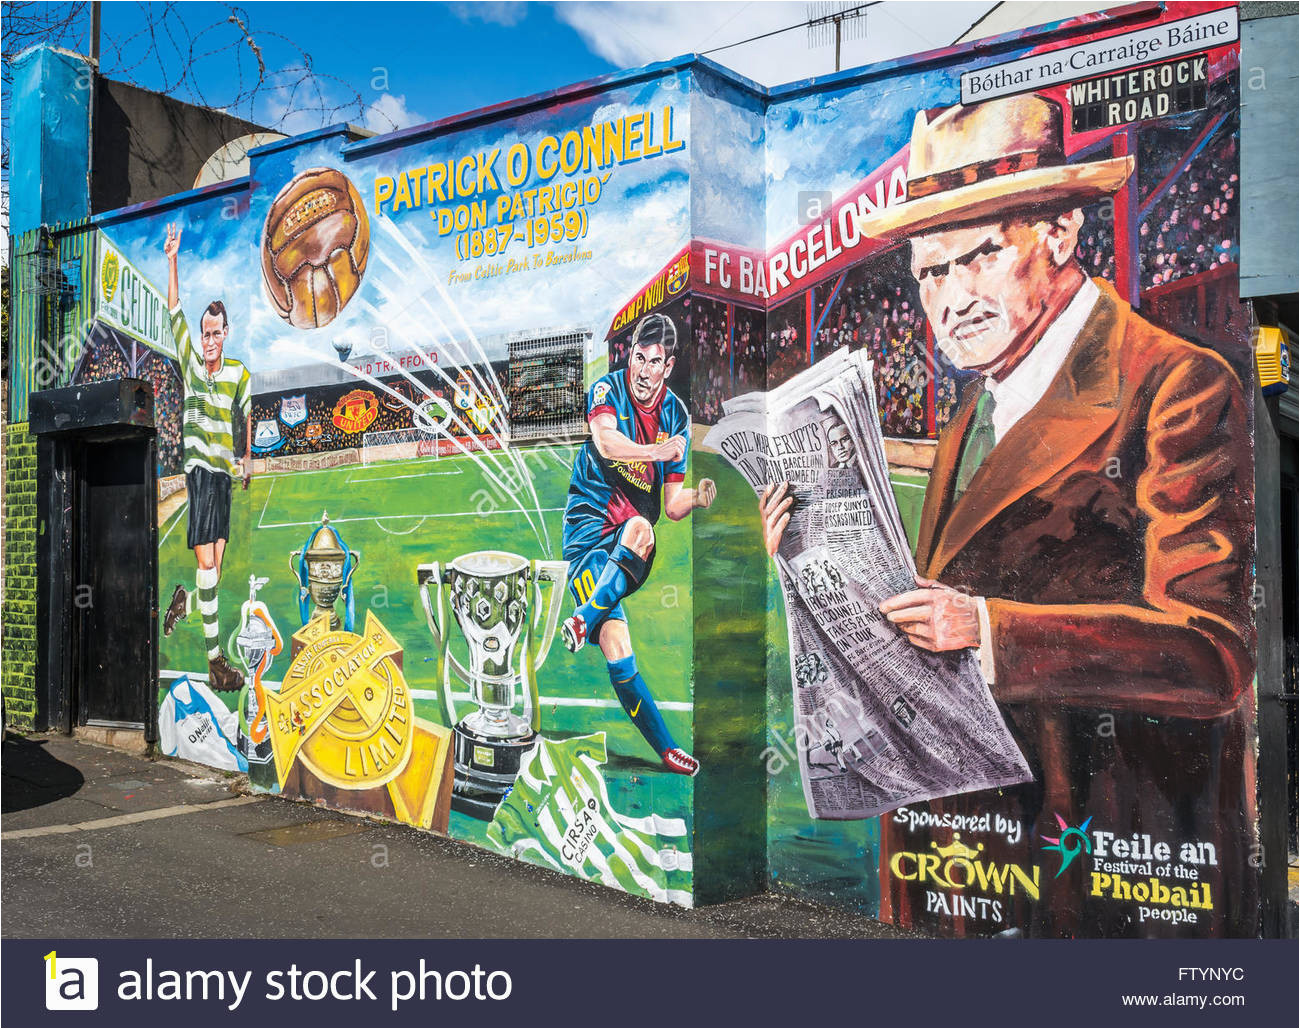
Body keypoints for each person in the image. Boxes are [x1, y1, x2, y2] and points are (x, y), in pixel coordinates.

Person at [760, 94, 1254, 936]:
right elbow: (928, 606)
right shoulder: (978, 410)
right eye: (928, 273)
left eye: (977, 258)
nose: (948, 299)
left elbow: (1211, 655)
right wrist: (813, 560)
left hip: (1100, 863)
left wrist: (989, 631)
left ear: (1060, 233)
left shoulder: (1176, 385)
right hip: (969, 857)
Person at [561, 313, 716, 777]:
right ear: (629, 356)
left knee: (642, 527)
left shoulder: (677, 417)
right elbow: (606, 443)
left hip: (630, 546)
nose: (643, 370)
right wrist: (654, 452)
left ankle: (579, 621)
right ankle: (668, 749)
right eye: (637, 358)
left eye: (654, 362)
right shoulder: (607, 390)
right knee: (618, 648)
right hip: (588, 537)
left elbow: (670, 505)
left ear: (668, 367)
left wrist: (698, 498)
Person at [160, 223, 253, 694]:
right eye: (204, 333)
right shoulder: (191, 364)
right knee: (207, 564)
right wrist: (173, 258)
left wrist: (247, 459)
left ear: (226, 333)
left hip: (223, 475)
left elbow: (245, 417)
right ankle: (216, 660)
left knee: (215, 564)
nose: (209, 340)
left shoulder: (238, 372)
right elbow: (173, 309)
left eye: (215, 333)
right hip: (199, 472)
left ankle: (182, 602)